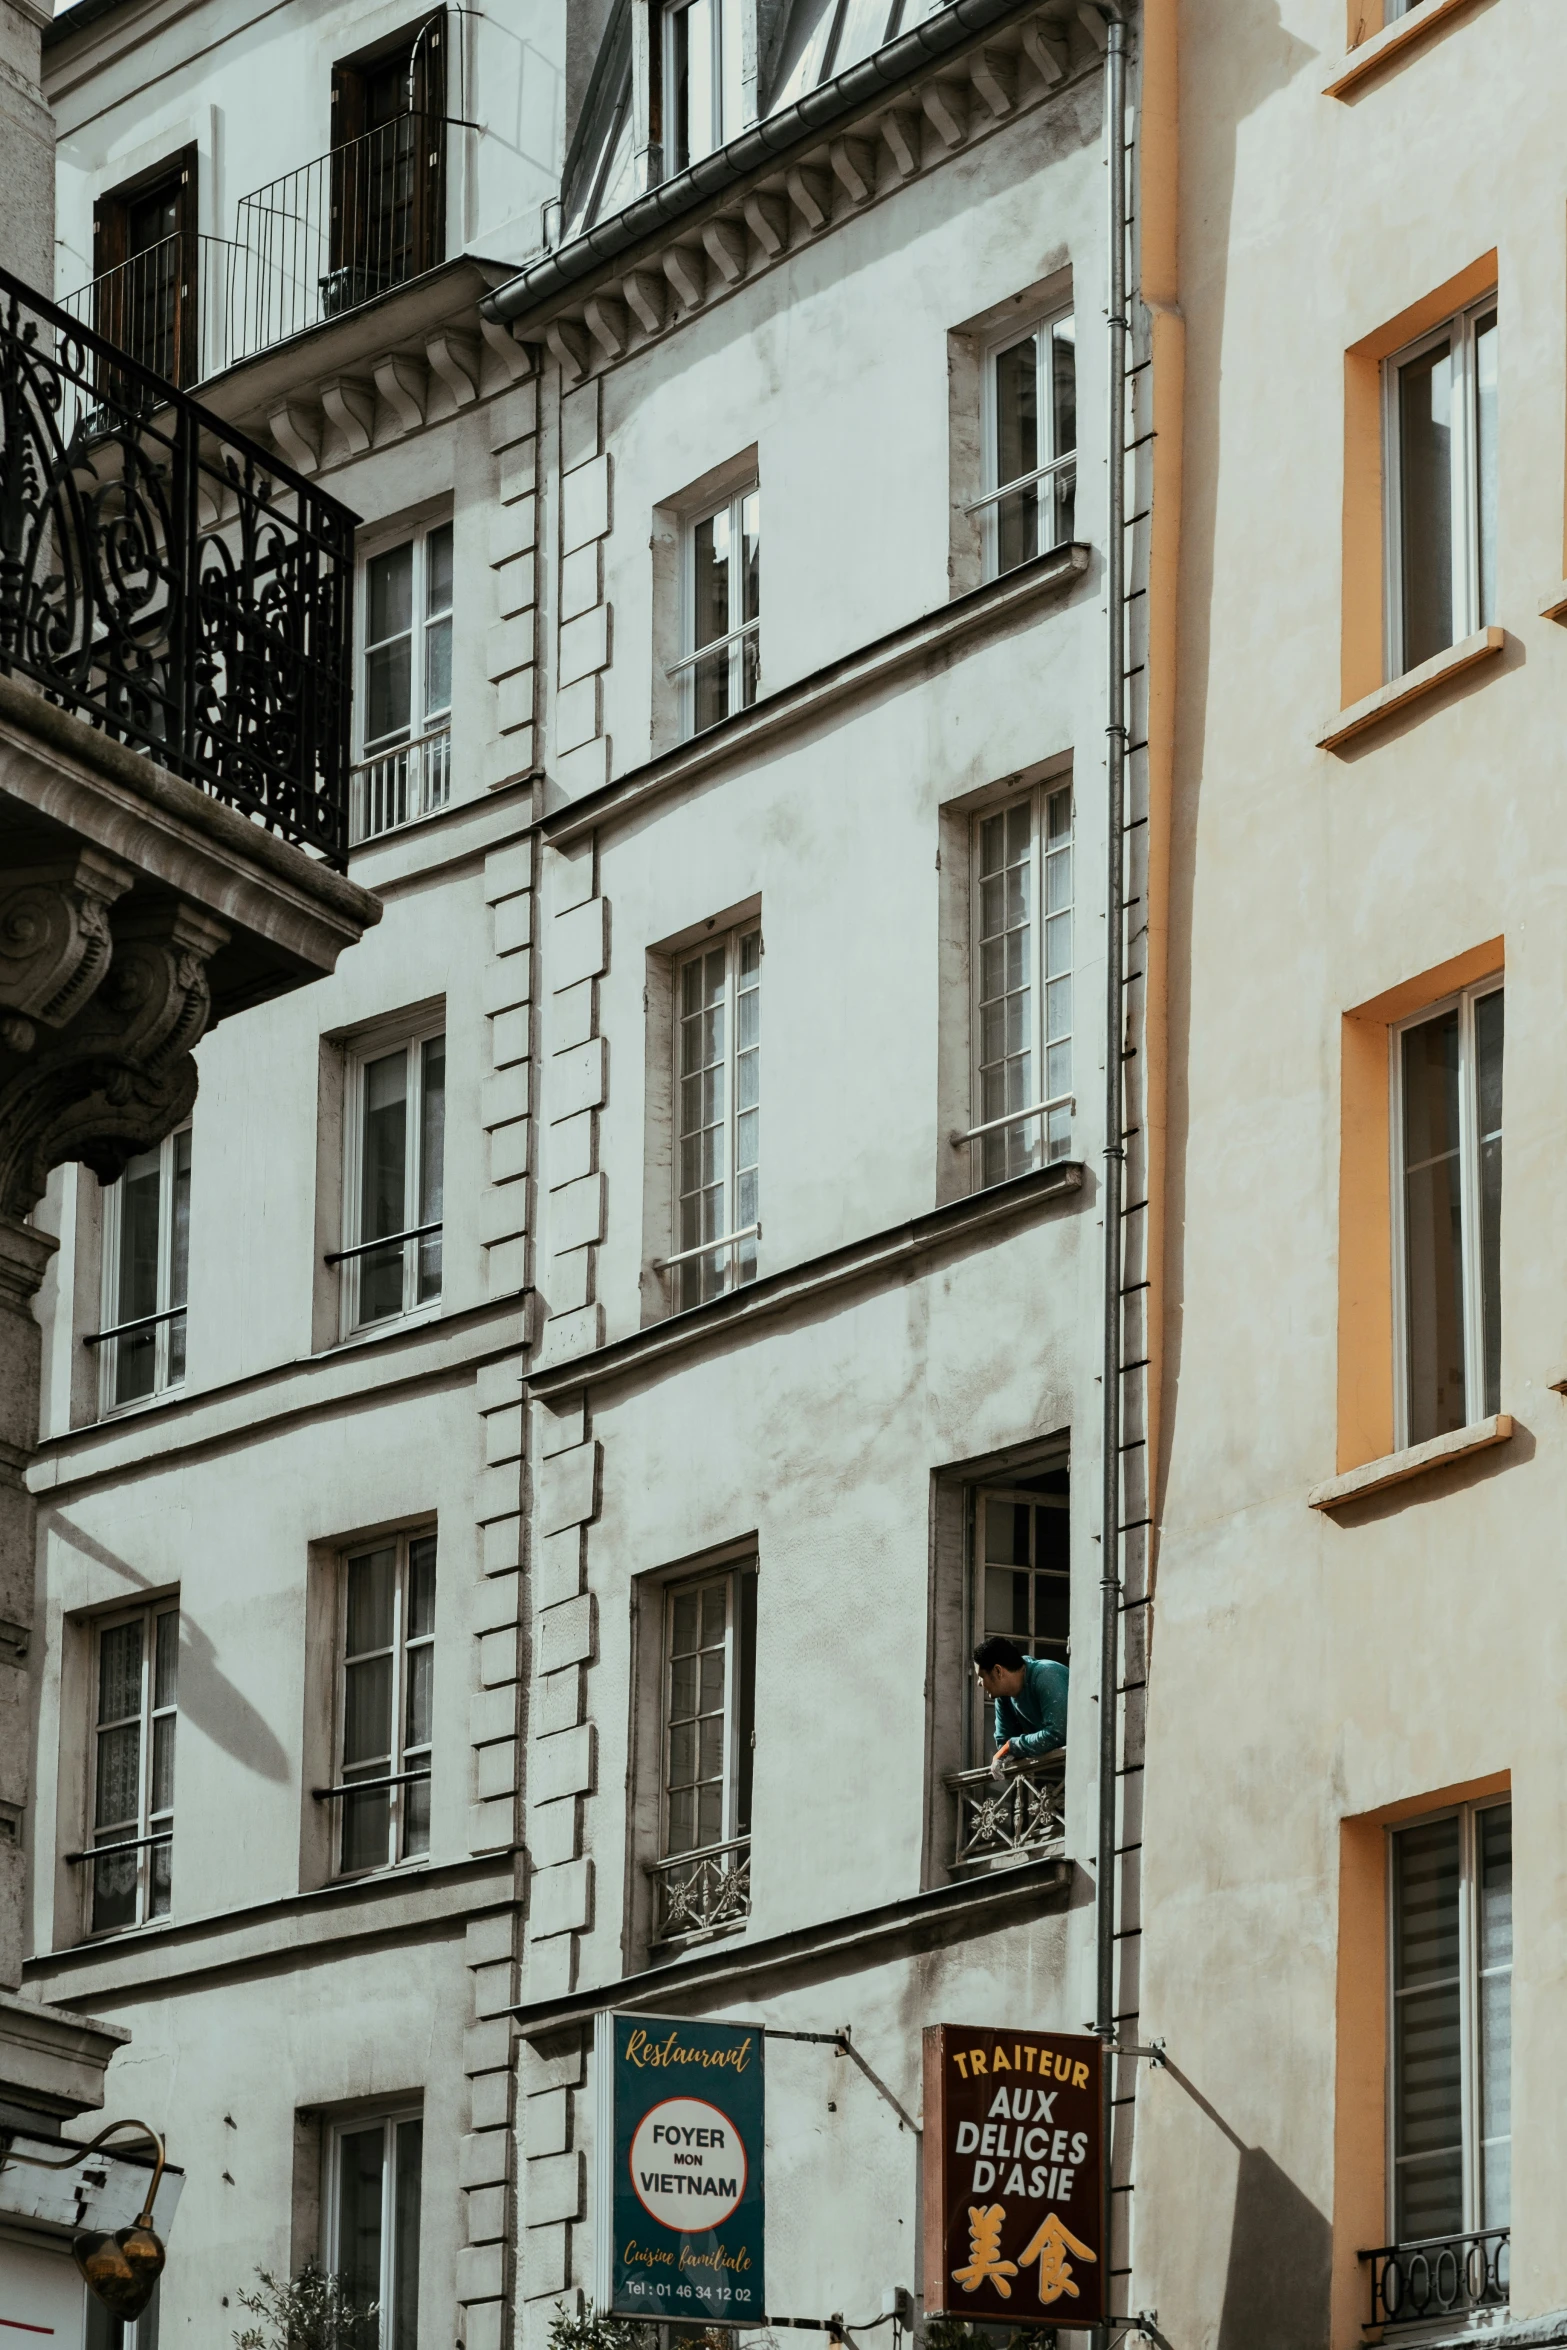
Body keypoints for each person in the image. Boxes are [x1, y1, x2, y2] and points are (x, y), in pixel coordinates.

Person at [973, 1635, 1068, 1769]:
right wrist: (1011, 1747)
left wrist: (1013, 1746)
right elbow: (1004, 1744)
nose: (979, 1683)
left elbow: (1058, 1734)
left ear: (998, 1671)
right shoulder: (1003, 1695)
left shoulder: (1047, 1675)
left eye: (981, 1677)